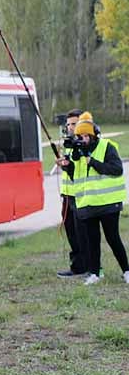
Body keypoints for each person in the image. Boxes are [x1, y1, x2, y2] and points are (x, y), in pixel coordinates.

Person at [58, 112, 129, 285]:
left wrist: (93, 162)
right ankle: (95, 273)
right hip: (88, 204)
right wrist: (68, 167)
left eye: (85, 136)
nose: (82, 139)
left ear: (93, 134)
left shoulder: (107, 147)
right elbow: (78, 178)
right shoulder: (78, 151)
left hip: (108, 203)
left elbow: (116, 169)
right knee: (92, 240)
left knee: (113, 238)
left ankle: (127, 271)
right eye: (79, 136)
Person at [56, 109, 87, 278]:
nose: (70, 128)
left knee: (83, 233)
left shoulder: (87, 143)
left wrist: (71, 166)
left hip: (81, 195)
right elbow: (71, 170)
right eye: (68, 125)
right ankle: (77, 267)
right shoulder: (68, 143)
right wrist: (63, 164)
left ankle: (90, 267)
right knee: (71, 232)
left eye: (73, 124)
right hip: (67, 195)